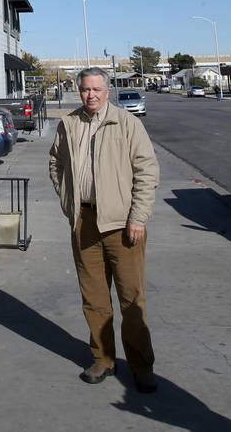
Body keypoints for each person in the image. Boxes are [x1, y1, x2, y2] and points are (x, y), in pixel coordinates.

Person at [49, 67, 159, 393]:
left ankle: (141, 366)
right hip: (84, 223)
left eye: (97, 89)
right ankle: (104, 358)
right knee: (94, 298)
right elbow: (55, 162)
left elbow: (147, 172)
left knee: (130, 300)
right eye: (85, 89)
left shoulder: (127, 124)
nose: (91, 95)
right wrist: (69, 198)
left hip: (123, 227)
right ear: (78, 90)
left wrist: (137, 217)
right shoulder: (69, 124)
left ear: (107, 91)